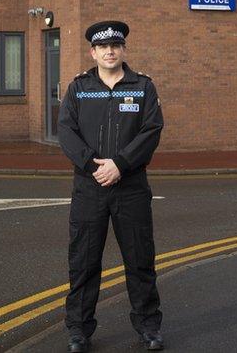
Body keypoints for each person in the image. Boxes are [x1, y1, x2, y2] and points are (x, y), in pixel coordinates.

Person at [58, 21, 165, 352]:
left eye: (115, 45)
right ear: (93, 52)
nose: (109, 51)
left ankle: (149, 327)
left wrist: (120, 164)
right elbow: (66, 131)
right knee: (84, 262)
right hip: (89, 188)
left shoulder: (142, 87)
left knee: (140, 259)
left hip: (130, 186)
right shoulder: (79, 88)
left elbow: (152, 130)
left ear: (123, 50)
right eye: (102, 47)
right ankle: (79, 331)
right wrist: (94, 167)